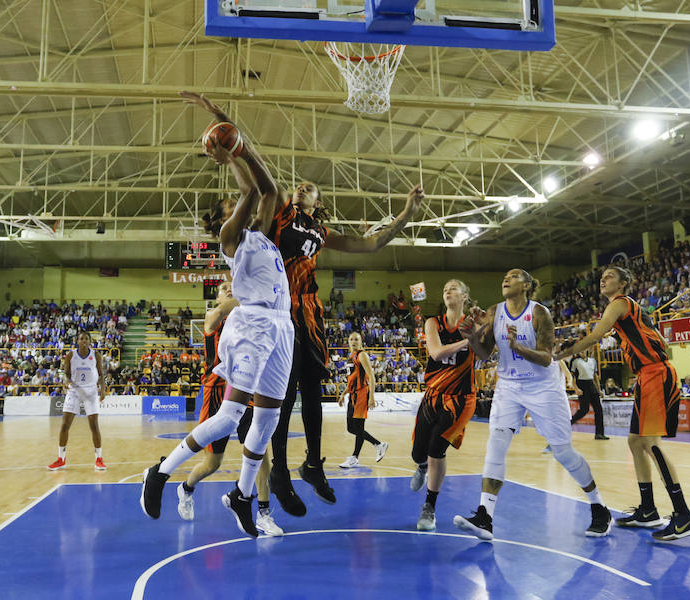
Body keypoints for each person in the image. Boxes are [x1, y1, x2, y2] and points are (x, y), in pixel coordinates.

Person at [181, 90, 424, 516]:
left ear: (318, 203)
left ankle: (312, 463)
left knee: (312, 389)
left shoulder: (321, 232)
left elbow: (368, 244)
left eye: (310, 188)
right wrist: (226, 129)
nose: (302, 186)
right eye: (299, 186)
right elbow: (256, 183)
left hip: (308, 314)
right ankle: (279, 476)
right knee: (280, 397)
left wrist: (404, 215)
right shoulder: (279, 217)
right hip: (276, 312)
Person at [140, 115, 294, 538]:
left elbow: (271, 191)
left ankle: (242, 496)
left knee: (268, 420)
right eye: (229, 205)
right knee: (230, 416)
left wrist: (241, 150)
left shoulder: (263, 234)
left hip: (283, 326)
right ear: (223, 218)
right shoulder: (231, 237)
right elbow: (250, 190)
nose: (236, 203)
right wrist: (233, 156)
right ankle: (160, 472)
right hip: (253, 325)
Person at [454, 268, 612, 540]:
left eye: (513, 276)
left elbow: (546, 357)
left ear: (526, 285)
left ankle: (599, 506)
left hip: (543, 387)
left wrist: (519, 348)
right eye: (504, 276)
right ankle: (484, 517)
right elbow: (483, 353)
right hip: (509, 386)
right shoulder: (494, 311)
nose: (506, 278)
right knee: (496, 443)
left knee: (563, 452)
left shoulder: (540, 314)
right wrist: (471, 337)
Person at [556, 265, 690, 541]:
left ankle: (684, 515)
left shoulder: (620, 304)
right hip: (648, 374)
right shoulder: (630, 313)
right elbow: (660, 342)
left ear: (623, 284)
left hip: (655, 374)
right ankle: (648, 510)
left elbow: (596, 334)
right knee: (635, 442)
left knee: (650, 442)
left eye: (609, 276)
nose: (603, 279)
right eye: (602, 276)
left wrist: (563, 353)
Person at [176, 280, 283, 536]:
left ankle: (264, 513)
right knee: (212, 463)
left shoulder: (247, 320)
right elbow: (223, 310)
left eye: (233, 286)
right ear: (216, 297)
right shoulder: (213, 316)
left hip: (245, 391)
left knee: (260, 454)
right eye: (224, 288)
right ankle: (186, 488)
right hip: (216, 394)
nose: (230, 289)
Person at [409, 280, 477, 532]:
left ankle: (430, 507)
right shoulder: (433, 323)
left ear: (465, 296)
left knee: (437, 449)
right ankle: (421, 466)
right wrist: (467, 341)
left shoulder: (473, 324)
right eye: (445, 288)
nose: (447, 291)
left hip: (461, 398)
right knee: (419, 452)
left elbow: (483, 352)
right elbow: (436, 353)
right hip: (434, 394)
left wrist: (480, 333)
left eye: (454, 288)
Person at [47, 331, 107, 471]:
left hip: (90, 392)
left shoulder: (95, 355)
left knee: (94, 426)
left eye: (86, 338)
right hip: (74, 391)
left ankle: (99, 458)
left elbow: (100, 374)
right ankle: (61, 459)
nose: (84, 341)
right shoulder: (70, 355)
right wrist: (66, 380)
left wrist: (103, 390)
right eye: (81, 338)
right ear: (77, 341)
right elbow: (66, 372)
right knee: (64, 425)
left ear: (90, 341)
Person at [338, 332, 387, 468]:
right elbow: (353, 379)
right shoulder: (351, 356)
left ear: (360, 341)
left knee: (358, 427)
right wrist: (343, 394)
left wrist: (372, 396)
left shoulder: (362, 355)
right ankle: (379, 444)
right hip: (352, 395)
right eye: (351, 339)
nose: (353, 341)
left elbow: (371, 375)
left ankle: (355, 457)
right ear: (348, 341)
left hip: (361, 394)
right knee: (351, 428)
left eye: (356, 339)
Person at [569, 349, 608, 440]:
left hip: (591, 385)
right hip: (582, 385)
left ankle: (599, 433)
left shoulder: (593, 361)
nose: (581, 351)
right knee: (584, 410)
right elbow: (572, 377)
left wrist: (599, 390)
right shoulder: (575, 362)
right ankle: (568, 424)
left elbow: (595, 376)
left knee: (599, 410)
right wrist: (576, 388)